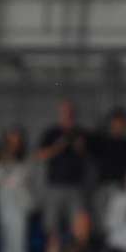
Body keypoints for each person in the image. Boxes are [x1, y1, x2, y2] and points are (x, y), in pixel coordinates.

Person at [38, 100, 90, 239]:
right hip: (54, 186)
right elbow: (41, 155)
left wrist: (80, 147)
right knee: (51, 228)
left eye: (70, 111)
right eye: (64, 111)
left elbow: (90, 157)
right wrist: (58, 146)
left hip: (76, 187)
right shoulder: (51, 132)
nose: (67, 114)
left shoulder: (81, 133)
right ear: (60, 113)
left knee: (79, 227)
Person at [0, 126, 35, 252]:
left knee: (19, 246)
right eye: (10, 141)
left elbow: (24, 180)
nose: (13, 144)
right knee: (6, 246)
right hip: (4, 208)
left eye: (17, 141)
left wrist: (12, 179)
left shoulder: (26, 162)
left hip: (20, 209)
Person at [91, 108, 126, 215]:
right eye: (116, 123)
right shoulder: (103, 141)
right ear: (111, 123)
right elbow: (90, 146)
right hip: (103, 185)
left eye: (121, 123)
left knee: (118, 215)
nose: (118, 126)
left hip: (121, 187)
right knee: (101, 217)